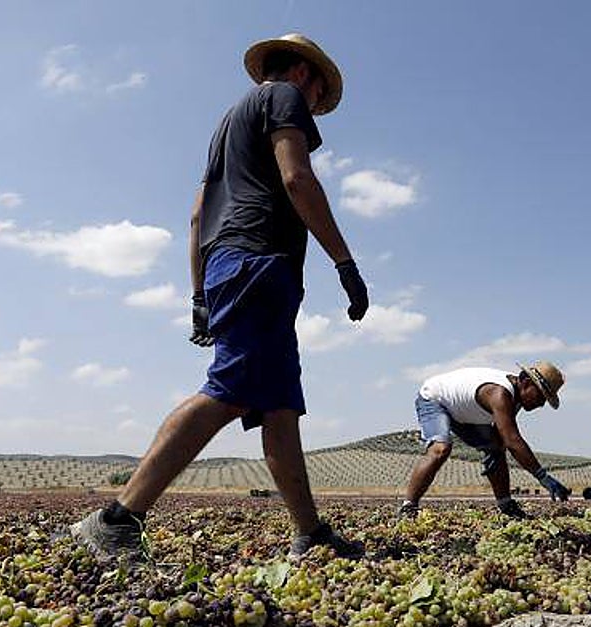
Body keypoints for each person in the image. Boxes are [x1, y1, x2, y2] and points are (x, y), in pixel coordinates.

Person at [73, 33, 369, 562]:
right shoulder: (283, 97)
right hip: (259, 260)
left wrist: (198, 294)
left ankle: (310, 531)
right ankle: (118, 518)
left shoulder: (226, 127)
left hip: (228, 263)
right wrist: (344, 262)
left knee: (278, 405)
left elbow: (196, 215)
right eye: (319, 95)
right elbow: (298, 178)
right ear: (305, 73)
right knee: (231, 388)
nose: (315, 107)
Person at [399, 361, 571, 518]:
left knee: (497, 447)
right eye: (540, 397)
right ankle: (408, 507)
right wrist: (542, 476)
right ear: (526, 383)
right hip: (436, 400)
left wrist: (495, 450)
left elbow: (503, 437)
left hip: (464, 413)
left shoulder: (515, 399)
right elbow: (513, 439)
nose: (540, 404)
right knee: (440, 448)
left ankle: (506, 505)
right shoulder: (499, 394)